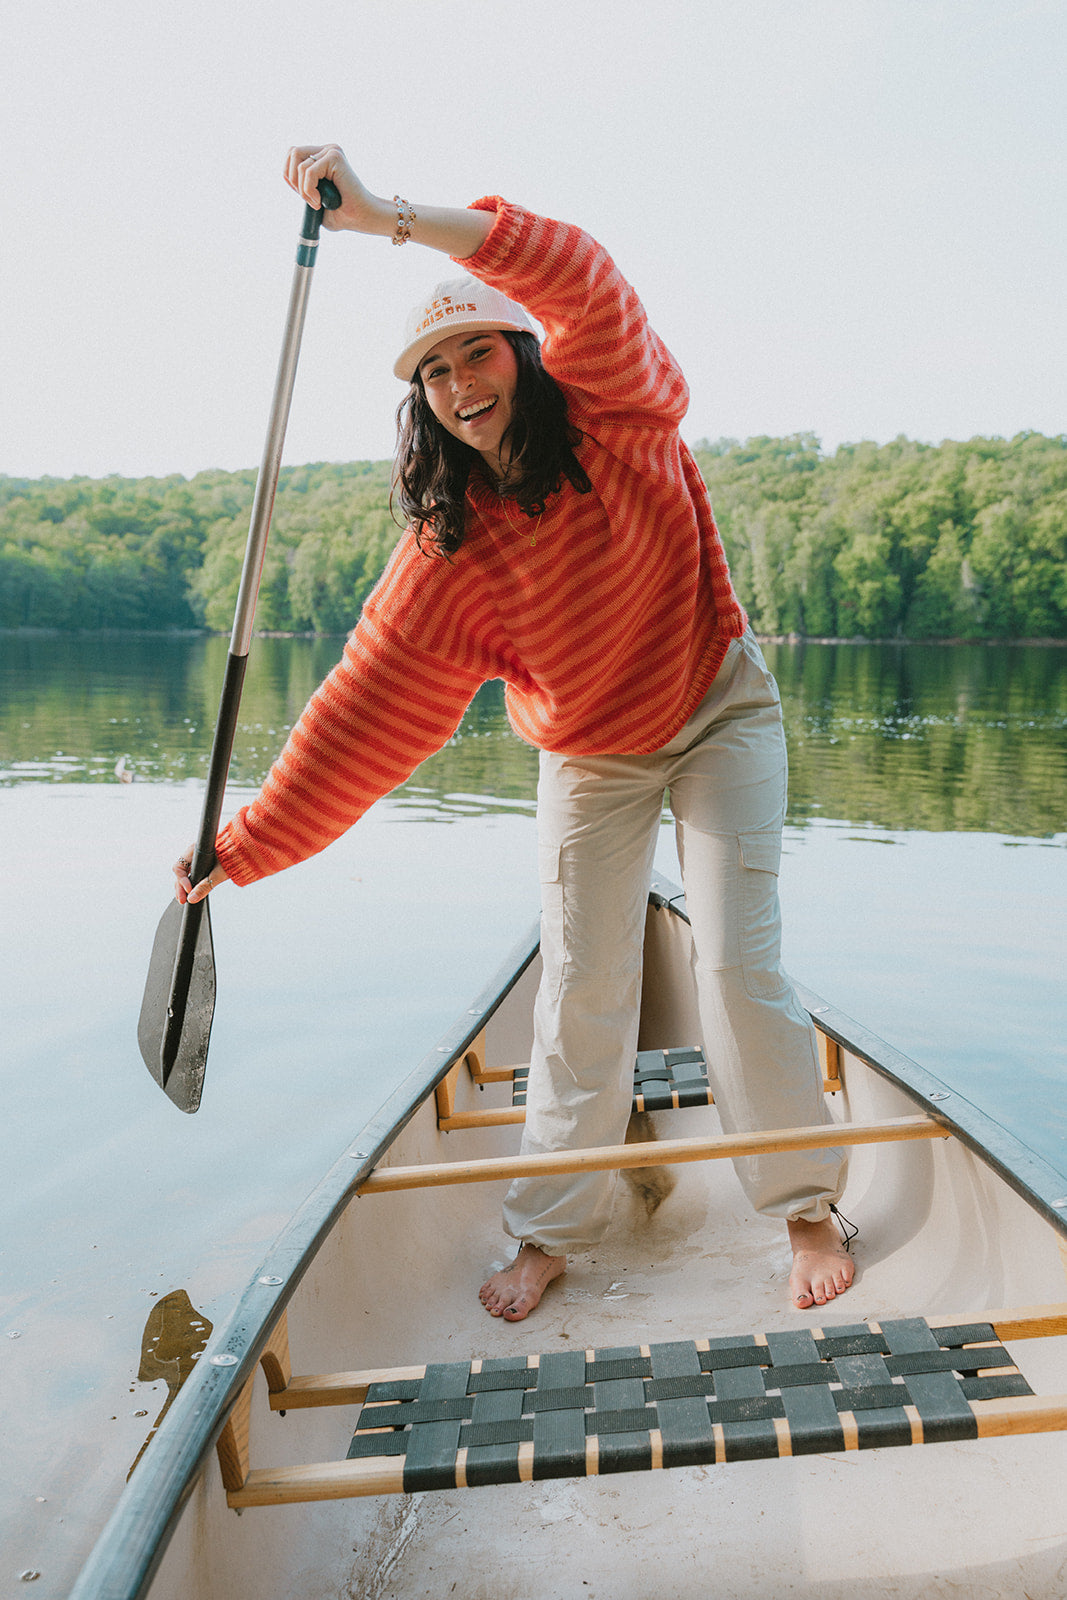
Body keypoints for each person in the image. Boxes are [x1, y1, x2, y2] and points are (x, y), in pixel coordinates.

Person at [175, 143, 855, 1321]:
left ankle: (802, 1204)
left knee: (737, 963)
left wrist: (385, 215)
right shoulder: (448, 551)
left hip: (716, 705)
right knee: (581, 986)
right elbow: (355, 721)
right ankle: (548, 1227)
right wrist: (238, 850)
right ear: (421, 402)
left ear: (523, 355)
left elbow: (577, 269)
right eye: (433, 371)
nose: (459, 382)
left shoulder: (620, 405)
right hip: (588, 753)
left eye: (476, 350)